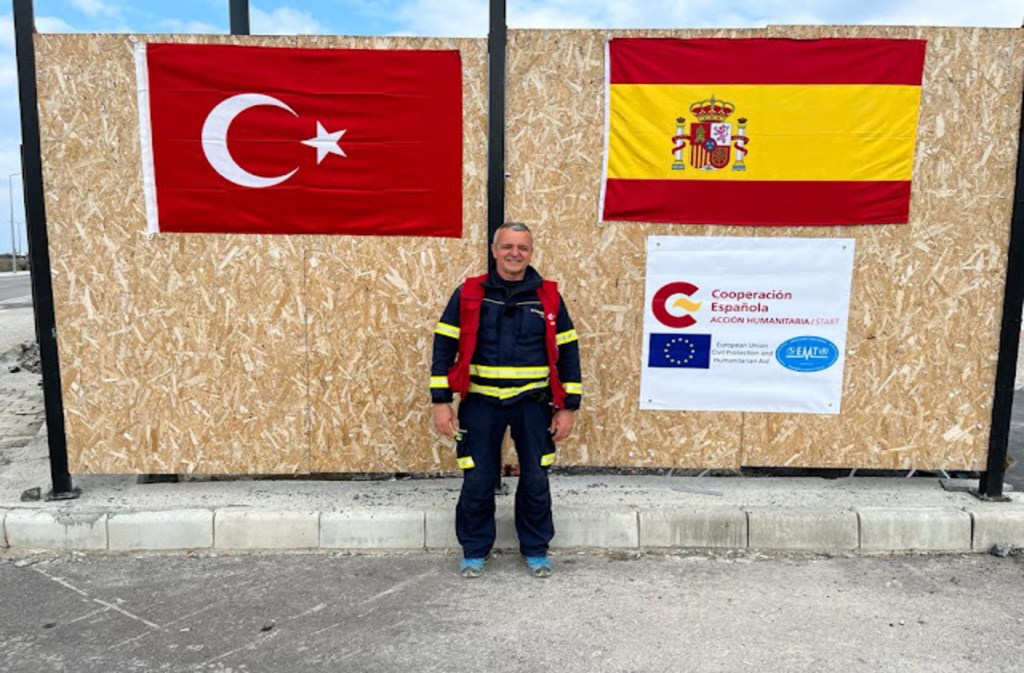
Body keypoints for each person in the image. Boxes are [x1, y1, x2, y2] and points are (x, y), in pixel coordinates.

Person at [430, 222, 582, 578]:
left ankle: (536, 549)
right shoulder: (469, 294)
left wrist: (568, 407)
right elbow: (443, 347)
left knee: (535, 478)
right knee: (478, 478)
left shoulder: (548, 297)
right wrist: (441, 401)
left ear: (531, 252)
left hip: (533, 404)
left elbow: (569, 352)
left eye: (523, 248)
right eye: (508, 246)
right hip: (480, 403)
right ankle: (474, 550)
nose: (515, 254)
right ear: (495, 250)